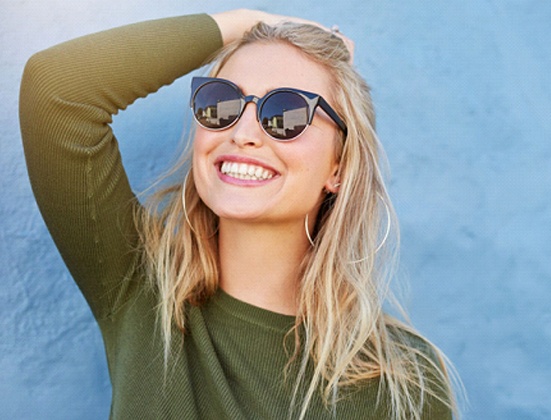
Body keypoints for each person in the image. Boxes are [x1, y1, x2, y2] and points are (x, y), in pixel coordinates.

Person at [20, 9, 459, 419]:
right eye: (222, 102)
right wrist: (253, 24)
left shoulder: (402, 380)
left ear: (339, 167)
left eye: (286, 112)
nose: (243, 133)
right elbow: (55, 91)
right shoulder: (142, 290)